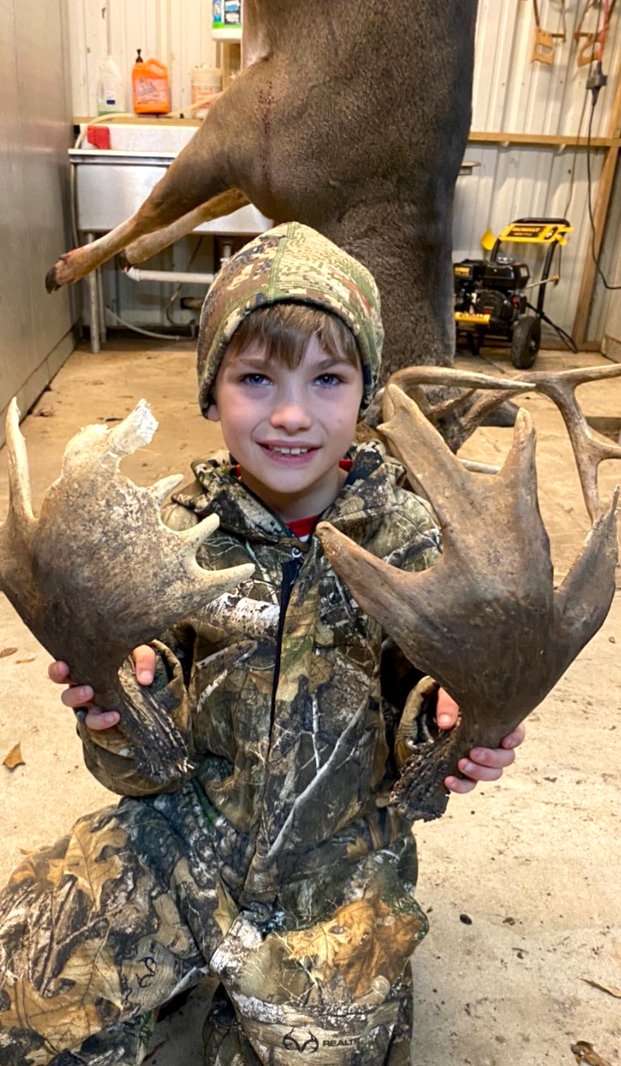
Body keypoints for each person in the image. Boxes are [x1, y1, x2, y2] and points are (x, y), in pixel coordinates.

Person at [0, 223, 523, 1066]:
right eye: (253, 379)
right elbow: (143, 769)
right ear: (211, 394)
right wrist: (125, 703)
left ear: (365, 392)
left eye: (327, 379)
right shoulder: (173, 534)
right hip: (179, 844)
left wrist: (445, 725)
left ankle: (255, 996)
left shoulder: (411, 537)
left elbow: (419, 733)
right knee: (16, 1002)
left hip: (334, 873)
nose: (289, 415)